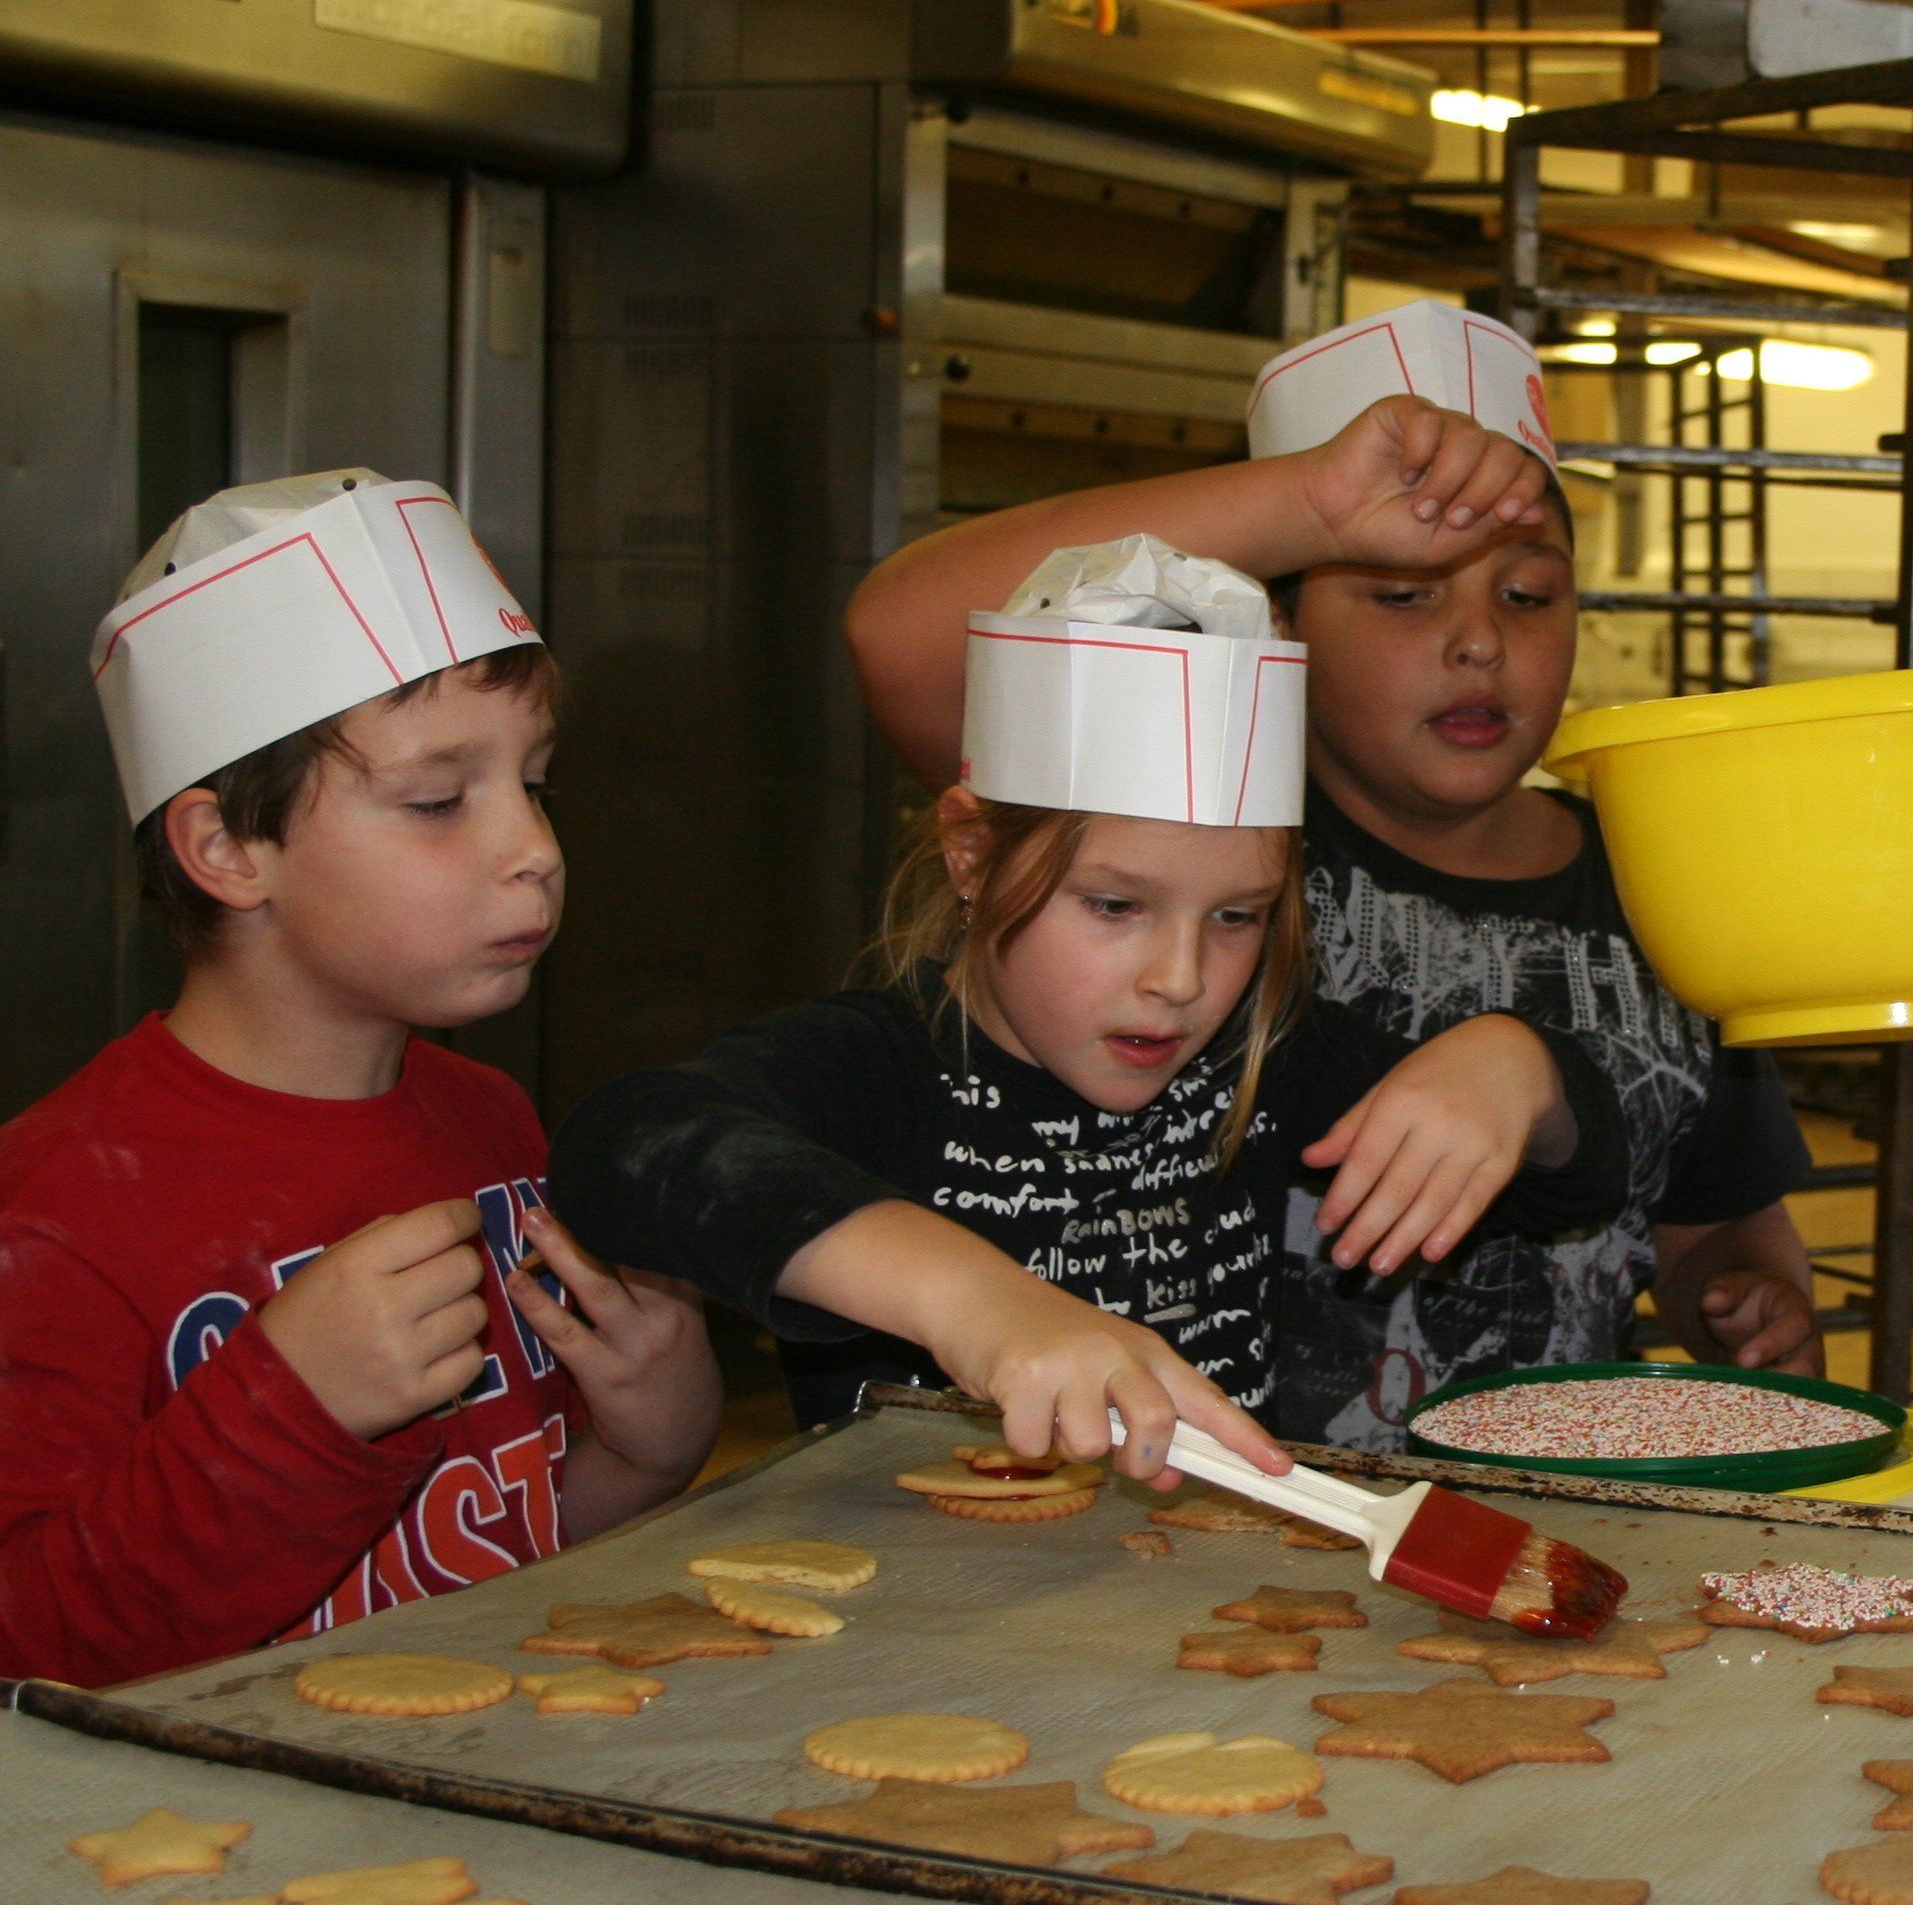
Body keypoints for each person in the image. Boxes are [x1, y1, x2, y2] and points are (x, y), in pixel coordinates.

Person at [844, 306, 1820, 1451]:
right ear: (1283, 624)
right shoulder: (1203, 837)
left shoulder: (1663, 877)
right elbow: (898, 636)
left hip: (1547, 1512)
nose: (1479, 643)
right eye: (1403, 593)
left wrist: (1747, 1298)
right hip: (1212, 1509)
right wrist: (1309, 501)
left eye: (1527, 595)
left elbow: (1714, 1216)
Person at [553, 532, 1624, 1470]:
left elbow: (1575, 1182)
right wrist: (977, 1301)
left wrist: (1516, 1069)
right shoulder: (878, 1069)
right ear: (972, 853)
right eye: (1114, 905)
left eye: (1237, 916)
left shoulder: (1262, 1060)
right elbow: (630, 1145)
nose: (1180, 979)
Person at [0, 473, 717, 1686]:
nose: (536, 850)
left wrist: (647, 1447)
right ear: (228, 847)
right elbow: (30, 1648)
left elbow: (494, 1556)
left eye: (534, 784)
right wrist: (290, 1413)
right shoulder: (55, 1216)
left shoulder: (490, 1123)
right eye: (438, 801)